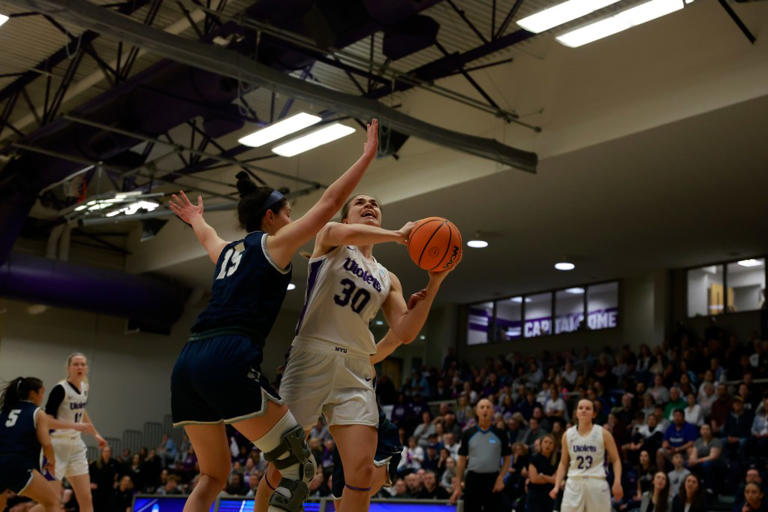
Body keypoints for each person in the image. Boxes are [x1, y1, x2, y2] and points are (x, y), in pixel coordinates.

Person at [168, 119, 380, 512]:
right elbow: (331, 203)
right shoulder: (275, 244)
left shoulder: (229, 252)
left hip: (187, 363)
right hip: (227, 357)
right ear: (270, 218)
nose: (291, 221)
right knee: (299, 466)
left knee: (212, 476)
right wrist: (366, 156)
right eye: (287, 214)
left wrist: (197, 218)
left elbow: (207, 236)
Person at [265, 190, 458, 512]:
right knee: (284, 468)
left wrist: (435, 281)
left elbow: (406, 333)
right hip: (312, 354)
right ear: (346, 217)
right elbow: (339, 233)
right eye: (360, 202)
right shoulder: (331, 238)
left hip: (355, 367)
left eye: (375, 204)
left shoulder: (387, 277)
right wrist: (398, 235)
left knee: (362, 472)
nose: (369, 205)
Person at [0, 377, 90, 512]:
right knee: (52, 502)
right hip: (18, 464)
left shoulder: (5, 412)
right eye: (42, 392)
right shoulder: (37, 412)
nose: (42, 397)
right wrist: (51, 462)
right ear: (32, 393)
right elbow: (46, 443)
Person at [44, 353, 107, 512]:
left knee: (86, 499)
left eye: (83, 364)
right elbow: (46, 421)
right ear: (68, 367)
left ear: (86, 368)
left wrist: (95, 433)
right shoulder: (60, 389)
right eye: (76, 364)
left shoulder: (84, 387)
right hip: (56, 447)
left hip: (76, 447)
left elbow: (82, 412)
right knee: (52, 502)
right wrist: (75, 426)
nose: (80, 367)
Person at [550, 399, 624, 512]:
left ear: (594, 414)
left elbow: (616, 460)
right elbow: (563, 463)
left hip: (596, 482)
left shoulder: (603, 433)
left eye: (588, 408)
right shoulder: (567, 435)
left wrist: (617, 482)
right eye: (580, 408)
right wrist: (556, 486)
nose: (583, 410)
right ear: (576, 413)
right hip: (574, 483)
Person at [450, 398, 512, 511]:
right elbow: (461, 461)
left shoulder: (500, 434)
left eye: (488, 407)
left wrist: (500, 478)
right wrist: (458, 485)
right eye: (482, 407)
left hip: (493, 479)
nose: (485, 410)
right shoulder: (468, 434)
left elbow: (507, 459)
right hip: (473, 479)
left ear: (493, 411)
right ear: (477, 411)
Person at [527, 433, 559, 512]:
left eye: (551, 443)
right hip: (535, 495)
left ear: (554, 446)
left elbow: (556, 480)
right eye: (545, 442)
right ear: (541, 444)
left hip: (549, 495)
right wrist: (550, 478)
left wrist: (543, 476)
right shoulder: (534, 458)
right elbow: (534, 479)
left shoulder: (556, 461)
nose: (548, 445)